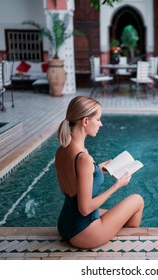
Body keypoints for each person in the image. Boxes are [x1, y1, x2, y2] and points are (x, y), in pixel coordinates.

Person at [55, 96, 144, 249]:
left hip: (65, 224)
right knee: (137, 200)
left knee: (123, 215)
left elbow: (69, 188)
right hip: (84, 233)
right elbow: (85, 208)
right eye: (98, 119)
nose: (100, 124)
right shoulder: (84, 159)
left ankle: (113, 231)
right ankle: (129, 247)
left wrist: (98, 169)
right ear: (85, 121)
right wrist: (117, 186)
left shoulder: (62, 151)